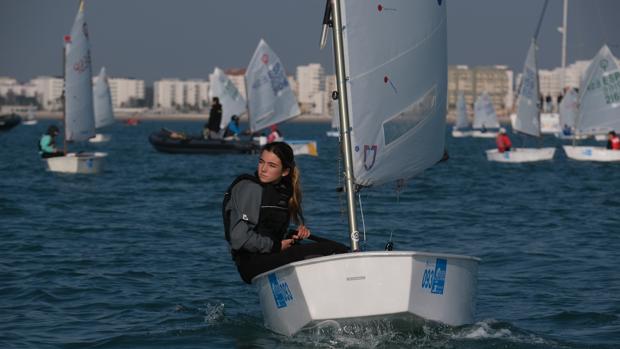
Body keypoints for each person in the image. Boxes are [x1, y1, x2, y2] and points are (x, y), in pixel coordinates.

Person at [223, 141, 348, 284]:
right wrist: (276, 246)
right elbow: (239, 238)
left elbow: (267, 230)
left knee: (339, 248)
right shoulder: (250, 188)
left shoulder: (281, 192)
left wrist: (294, 236)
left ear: (285, 171)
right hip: (252, 263)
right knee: (334, 250)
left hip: (270, 255)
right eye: (261, 162)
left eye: (272, 165)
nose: (263, 169)